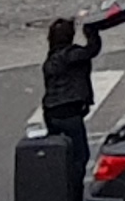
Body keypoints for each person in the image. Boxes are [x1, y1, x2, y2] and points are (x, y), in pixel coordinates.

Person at [39, 12, 102, 141]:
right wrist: (91, 32)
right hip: (69, 111)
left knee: (59, 148)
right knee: (79, 150)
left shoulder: (50, 60)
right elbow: (92, 49)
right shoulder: (70, 55)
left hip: (51, 111)